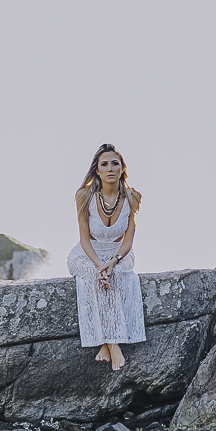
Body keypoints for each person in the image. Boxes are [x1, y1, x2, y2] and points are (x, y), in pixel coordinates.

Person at [66, 143, 144, 371]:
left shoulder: (133, 197)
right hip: (88, 253)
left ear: (122, 168)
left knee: (119, 277)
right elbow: (84, 239)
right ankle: (112, 344)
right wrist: (100, 264)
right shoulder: (83, 196)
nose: (110, 168)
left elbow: (128, 240)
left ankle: (104, 343)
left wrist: (113, 262)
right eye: (104, 164)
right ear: (97, 170)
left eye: (115, 163)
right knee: (94, 276)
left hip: (119, 254)